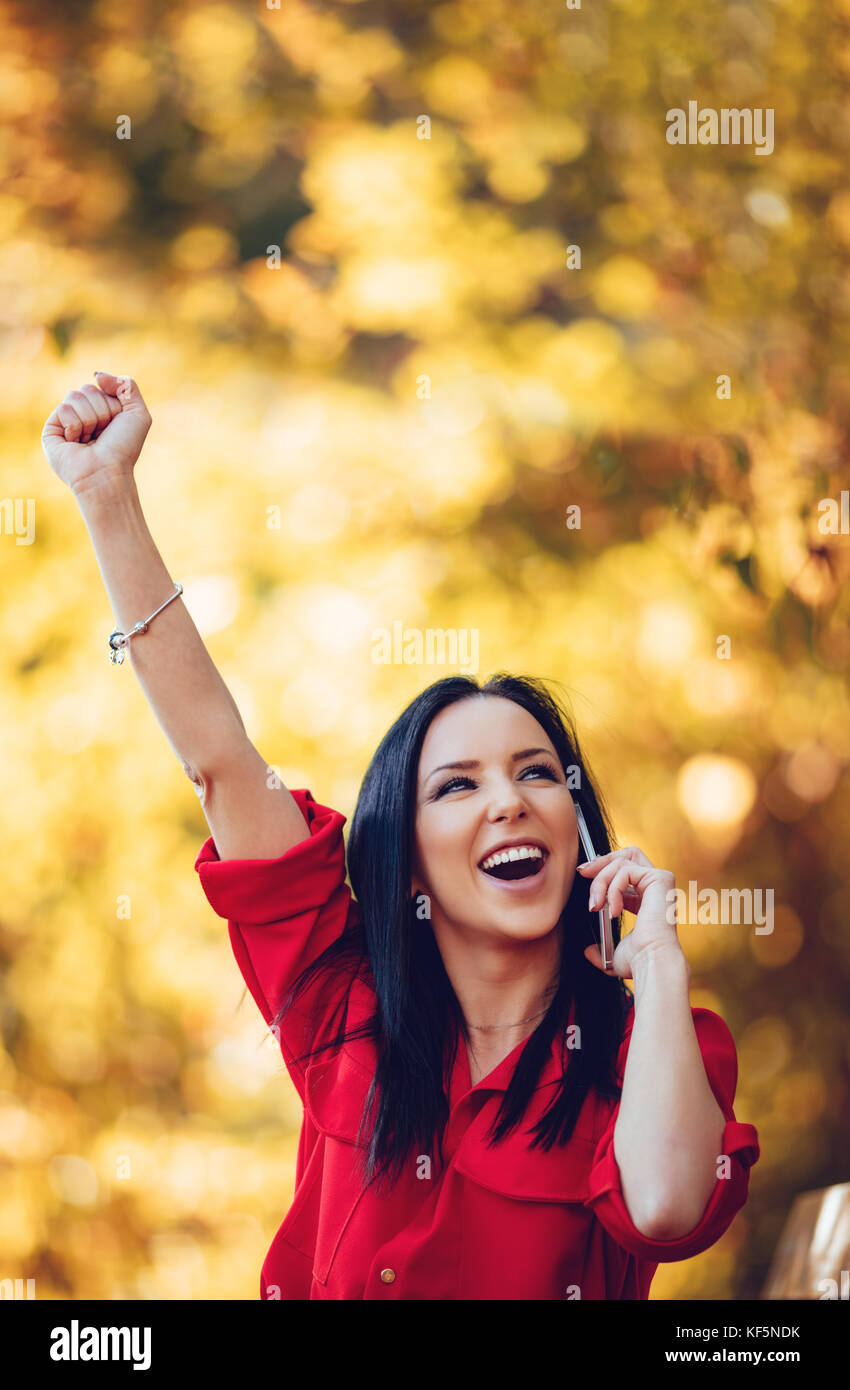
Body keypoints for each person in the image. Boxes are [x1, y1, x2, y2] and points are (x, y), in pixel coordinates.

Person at [42, 373, 761, 1300]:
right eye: (457, 785)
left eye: (538, 772)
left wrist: (657, 962)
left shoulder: (654, 1045)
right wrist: (106, 496)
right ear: (407, 859)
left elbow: (665, 1209)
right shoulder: (339, 1008)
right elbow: (218, 756)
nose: (509, 801)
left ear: (579, 827)